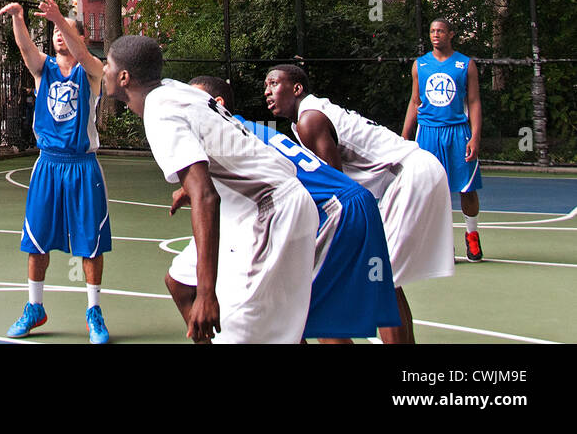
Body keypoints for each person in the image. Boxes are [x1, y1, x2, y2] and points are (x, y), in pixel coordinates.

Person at [103, 37, 317, 344]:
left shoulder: (159, 112)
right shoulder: (169, 90)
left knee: (240, 334)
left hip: (270, 211)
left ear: (124, 77)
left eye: (108, 64)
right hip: (252, 206)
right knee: (180, 283)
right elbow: (213, 156)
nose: (103, 70)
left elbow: (205, 196)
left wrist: (207, 294)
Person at [179, 76, 400, 343]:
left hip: (331, 211)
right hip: (354, 203)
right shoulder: (248, 130)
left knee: (307, 312)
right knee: (372, 304)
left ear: (217, 104)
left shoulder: (225, 135)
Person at [265, 63, 454, 344]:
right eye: (265, 87)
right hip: (410, 175)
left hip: (410, 174)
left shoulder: (309, 120)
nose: (267, 92)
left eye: (273, 84)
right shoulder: (306, 118)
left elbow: (337, 187)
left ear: (297, 88)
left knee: (380, 278)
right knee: (383, 277)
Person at [0, 0, 113, 344]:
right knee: (36, 240)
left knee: (89, 243)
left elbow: (85, 56)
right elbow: (25, 50)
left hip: (82, 166)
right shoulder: (44, 69)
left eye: (66, 31)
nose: (59, 35)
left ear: (77, 36)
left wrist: (60, 19)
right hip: (48, 164)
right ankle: (35, 307)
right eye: (54, 31)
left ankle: (94, 312)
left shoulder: (92, 70)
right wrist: (19, 17)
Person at [403, 19, 484, 262]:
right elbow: (415, 101)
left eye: (440, 31)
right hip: (428, 133)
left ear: (451, 34)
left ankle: (472, 236)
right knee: (433, 191)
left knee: (466, 189)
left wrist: (476, 136)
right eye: (431, 31)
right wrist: (405, 135)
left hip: (458, 132)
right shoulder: (420, 65)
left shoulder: (465, 64)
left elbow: (474, 102)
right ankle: (443, 243)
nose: (435, 35)